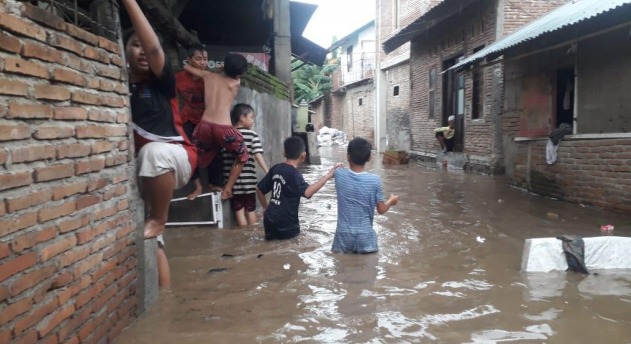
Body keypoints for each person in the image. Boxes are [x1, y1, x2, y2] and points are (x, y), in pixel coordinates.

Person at [122, 0, 198, 285]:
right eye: (135, 45)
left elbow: (154, 50)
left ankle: (159, 218)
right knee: (155, 245)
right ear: (124, 51)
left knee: (154, 153)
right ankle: (164, 303)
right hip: (150, 172)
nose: (143, 50)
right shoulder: (123, 85)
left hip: (175, 157)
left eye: (146, 44)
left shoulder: (161, 81)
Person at [183, 53, 249, 200]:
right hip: (224, 129)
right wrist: (223, 69)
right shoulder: (235, 83)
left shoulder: (207, 76)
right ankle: (227, 189)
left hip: (204, 125)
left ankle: (198, 187)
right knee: (243, 156)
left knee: (195, 155)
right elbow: (235, 75)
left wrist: (219, 69)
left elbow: (186, 67)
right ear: (238, 73)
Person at [256, 136, 342, 240]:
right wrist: (328, 175)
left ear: (284, 152)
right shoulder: (294, 174)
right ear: (303, 155)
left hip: (269, 219)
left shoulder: (275, 168)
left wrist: (266, 208)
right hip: (287, 223)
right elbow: (307, 193)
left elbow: (259, 189)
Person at [332, 137, 399, 254]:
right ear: (369, 157)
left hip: (343, 235)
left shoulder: (339, 174)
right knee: (368, 270)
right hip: (365, 235)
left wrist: (337, 166)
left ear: (348, 156)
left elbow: (337, 168)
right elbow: (381, 209)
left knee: (341, 269)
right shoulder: (374, 180)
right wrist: (391, 201)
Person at [175, 45, 223, 199]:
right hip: (188, 119)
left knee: (216, 149)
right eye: (199, 58)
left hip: (208, 120)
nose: (203, 62)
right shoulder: (179, 78)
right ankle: (197, 186)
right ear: (189, 60)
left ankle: (214, 183)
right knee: (187, 151)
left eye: (205, 59)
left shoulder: (210, 77)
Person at [222, 103, 269, 226]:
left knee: (239, 211)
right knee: (250, 209)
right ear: (242, 118)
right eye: (251, 117)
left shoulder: (227, 135)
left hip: (233, 183)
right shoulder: (252, 135)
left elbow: (223, 157)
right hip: (249, 183)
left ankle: (243, 232)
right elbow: (258, 155)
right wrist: (267, 171)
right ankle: (251, 234)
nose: (253, 121)